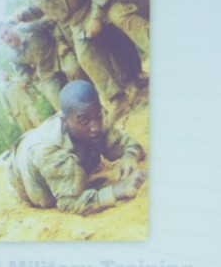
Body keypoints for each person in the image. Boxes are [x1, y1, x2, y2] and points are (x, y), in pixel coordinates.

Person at [8, 79, 146, 215]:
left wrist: (130, 155)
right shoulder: (49, 151)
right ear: (65, 121)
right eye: (85, 121)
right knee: (60, 191)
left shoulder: (91, 117)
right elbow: (68, 203)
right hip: (21, 170)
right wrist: (119, 189)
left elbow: (128, 144)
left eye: (98, 115)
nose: (96, 127)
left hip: (45, 141)